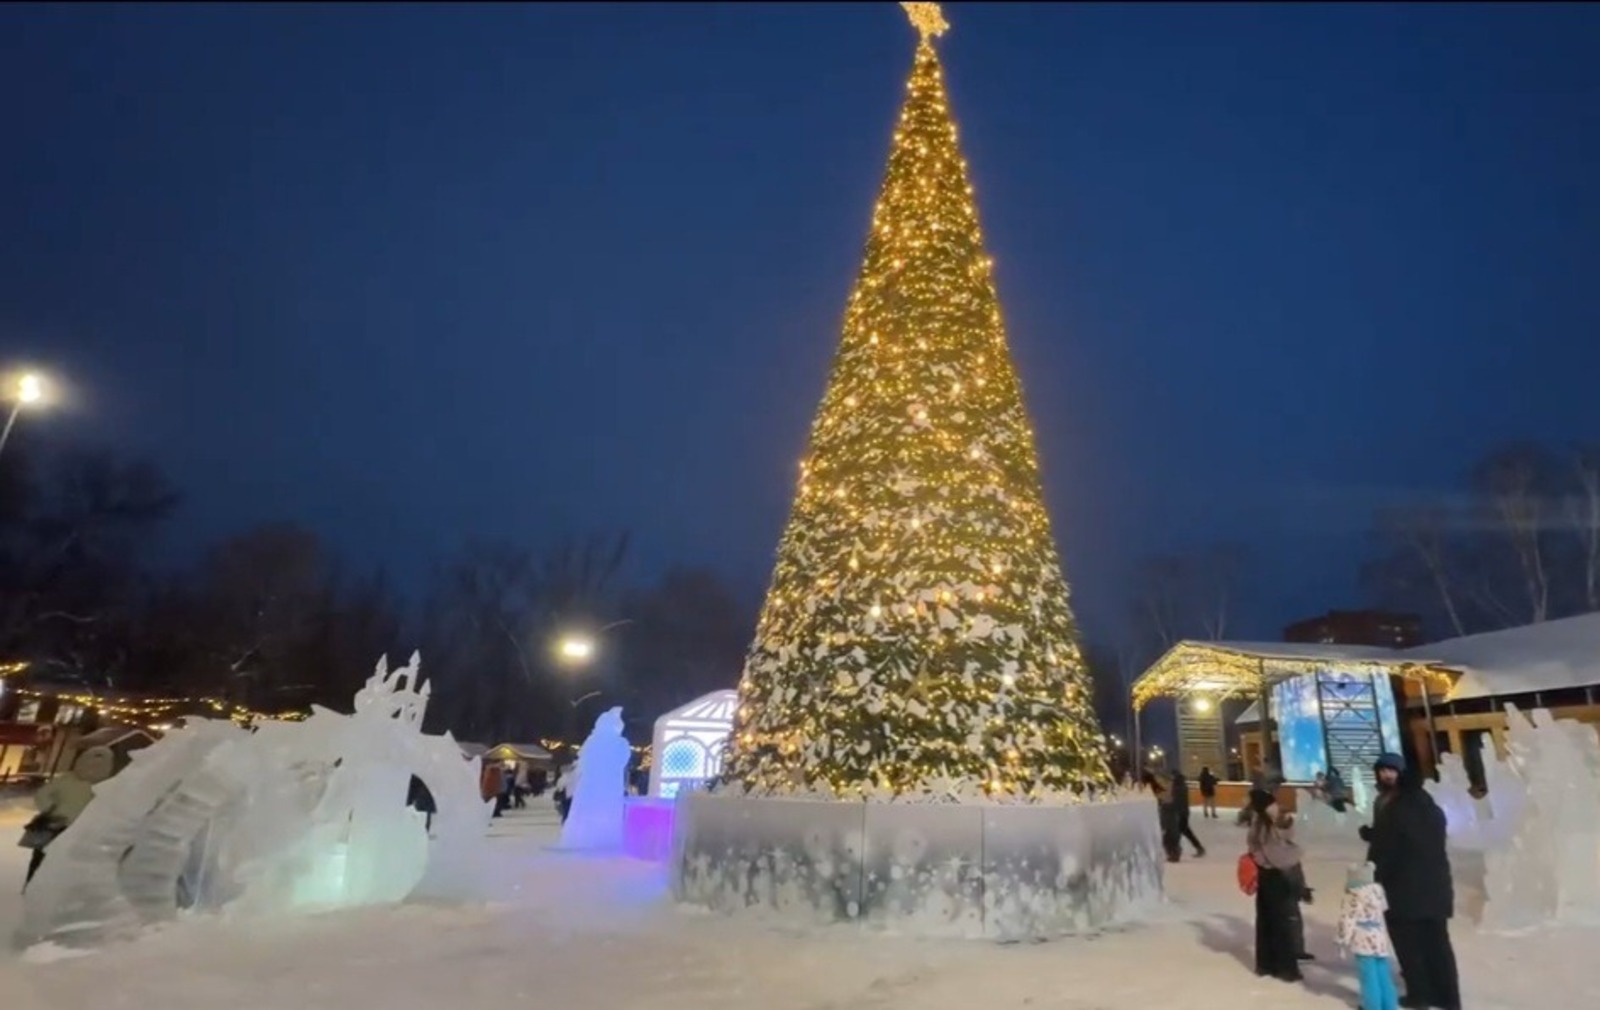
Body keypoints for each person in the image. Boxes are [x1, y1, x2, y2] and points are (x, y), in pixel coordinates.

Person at [1359, 752, 1460, 1010]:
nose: (1386, 775)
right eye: (1382, 770)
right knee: (1436, 943)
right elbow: (1415, 837)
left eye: (1391, 770)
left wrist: (1375, 873)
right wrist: (1375, 834)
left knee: (1410, 944)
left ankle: (1421, 994)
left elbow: (1393, 845)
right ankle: (1447, 997)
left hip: (1405, 887)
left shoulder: (1397, 805)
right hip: (1434, 886)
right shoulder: (1424, 803)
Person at [21, 745, 115, 888]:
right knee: (66, 861)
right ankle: (49, 887)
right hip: (80, 829)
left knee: (43, 858)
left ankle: (33, 885)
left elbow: (42, 796)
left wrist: (50, 809)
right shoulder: (108, 785)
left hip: (58, 825)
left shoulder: (67, 779)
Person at [1246, 789, 1304, 983]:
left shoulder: (1272, 817)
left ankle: (1273, 965)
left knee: (1274, 920)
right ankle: (1277, 966)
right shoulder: (1261, 818)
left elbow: (1285, 835)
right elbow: (1255, 844)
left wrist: (1260, 858)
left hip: (1277, 873)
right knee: (1273, 920)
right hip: (1271, 872)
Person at [1338, 861, 1399, 1010]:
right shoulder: (1378, 892)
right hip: (1378, 936)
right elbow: (1383, 909)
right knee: (1383, 972)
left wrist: (1342, 939)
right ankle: (1389, 1004)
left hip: (1363, 938)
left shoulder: (1353, 896)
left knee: (1368, 975)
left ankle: (1372, 1006)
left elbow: (1347, 919)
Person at [1169, 770, 1205, 857]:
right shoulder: (1182, 786)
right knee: (1185, 831)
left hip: (1180, 813)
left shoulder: (1177, 788)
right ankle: (1198, 848)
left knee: (1178, 832)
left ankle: (1176, 851)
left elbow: (1175, 801)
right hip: (1183, 812)